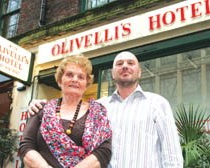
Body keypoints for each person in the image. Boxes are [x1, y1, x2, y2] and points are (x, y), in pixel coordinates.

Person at [28, 51, 183, 167]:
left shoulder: (157, 103)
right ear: (112, 73)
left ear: (139, 72)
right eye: (119, 63)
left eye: (130, 63)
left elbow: (172, 154)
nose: (125, 66)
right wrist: (38, 105)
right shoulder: (99, 107)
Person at [19, 55, 112, 168]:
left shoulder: (98, 113)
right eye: (69, 75)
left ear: (86, 84)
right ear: (59, 81)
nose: (75, 79)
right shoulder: (41, 109)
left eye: (81, 77)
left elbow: (104, 151)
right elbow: (25, 146)